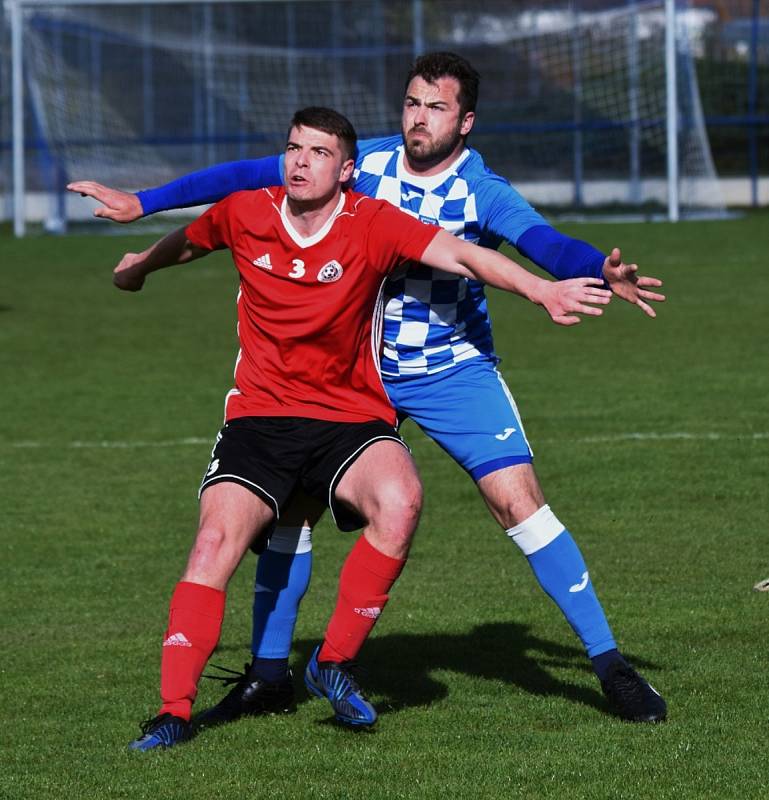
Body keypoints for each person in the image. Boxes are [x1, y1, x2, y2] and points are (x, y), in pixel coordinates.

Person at [69, 52, 667, 725]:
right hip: (356, 372)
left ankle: (608, 665)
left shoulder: (482, 189)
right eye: (412, 102)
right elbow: (243, 177)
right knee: (289, 509)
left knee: (516, 502)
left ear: (465, 120)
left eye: (435, 107)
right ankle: (268, 676)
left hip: (451, 368)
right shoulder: (361, 161)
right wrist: (143, 203)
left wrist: (592, 268)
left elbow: (540, 243)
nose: (418, 117)